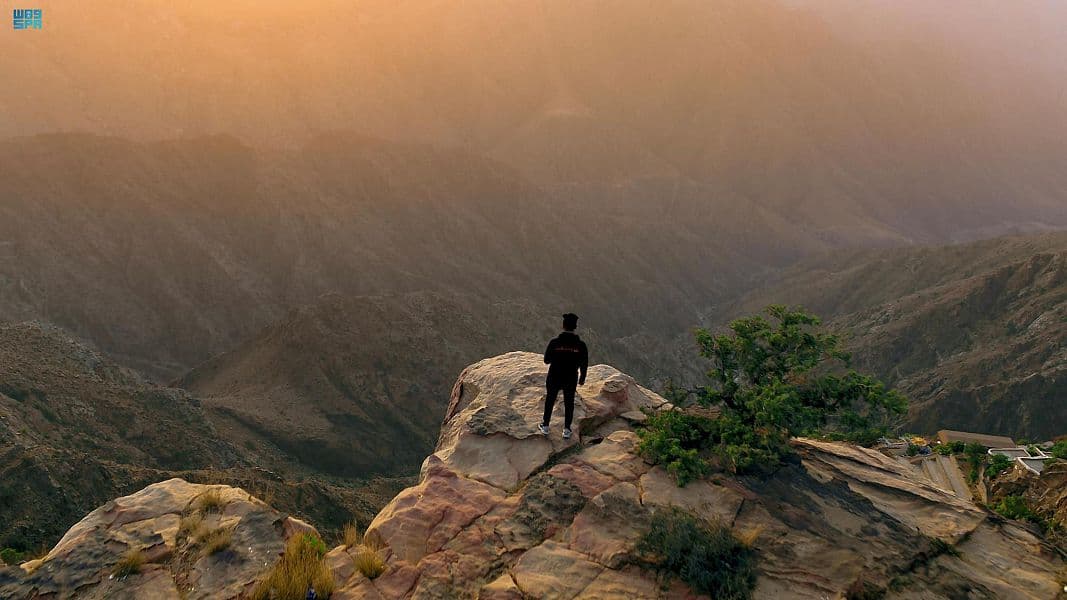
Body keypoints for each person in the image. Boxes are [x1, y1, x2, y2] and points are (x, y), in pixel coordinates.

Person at [540, 313, 588, 439]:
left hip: (554, 375)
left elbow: (546, 360)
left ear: (563, 326)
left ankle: (545, 425)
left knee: (550, 399)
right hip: (570, 377)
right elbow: (584, 363)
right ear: (575, 327)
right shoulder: (581, 345)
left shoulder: (554, 343)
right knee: (569, 402)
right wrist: (582, 378)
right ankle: (567, 429)